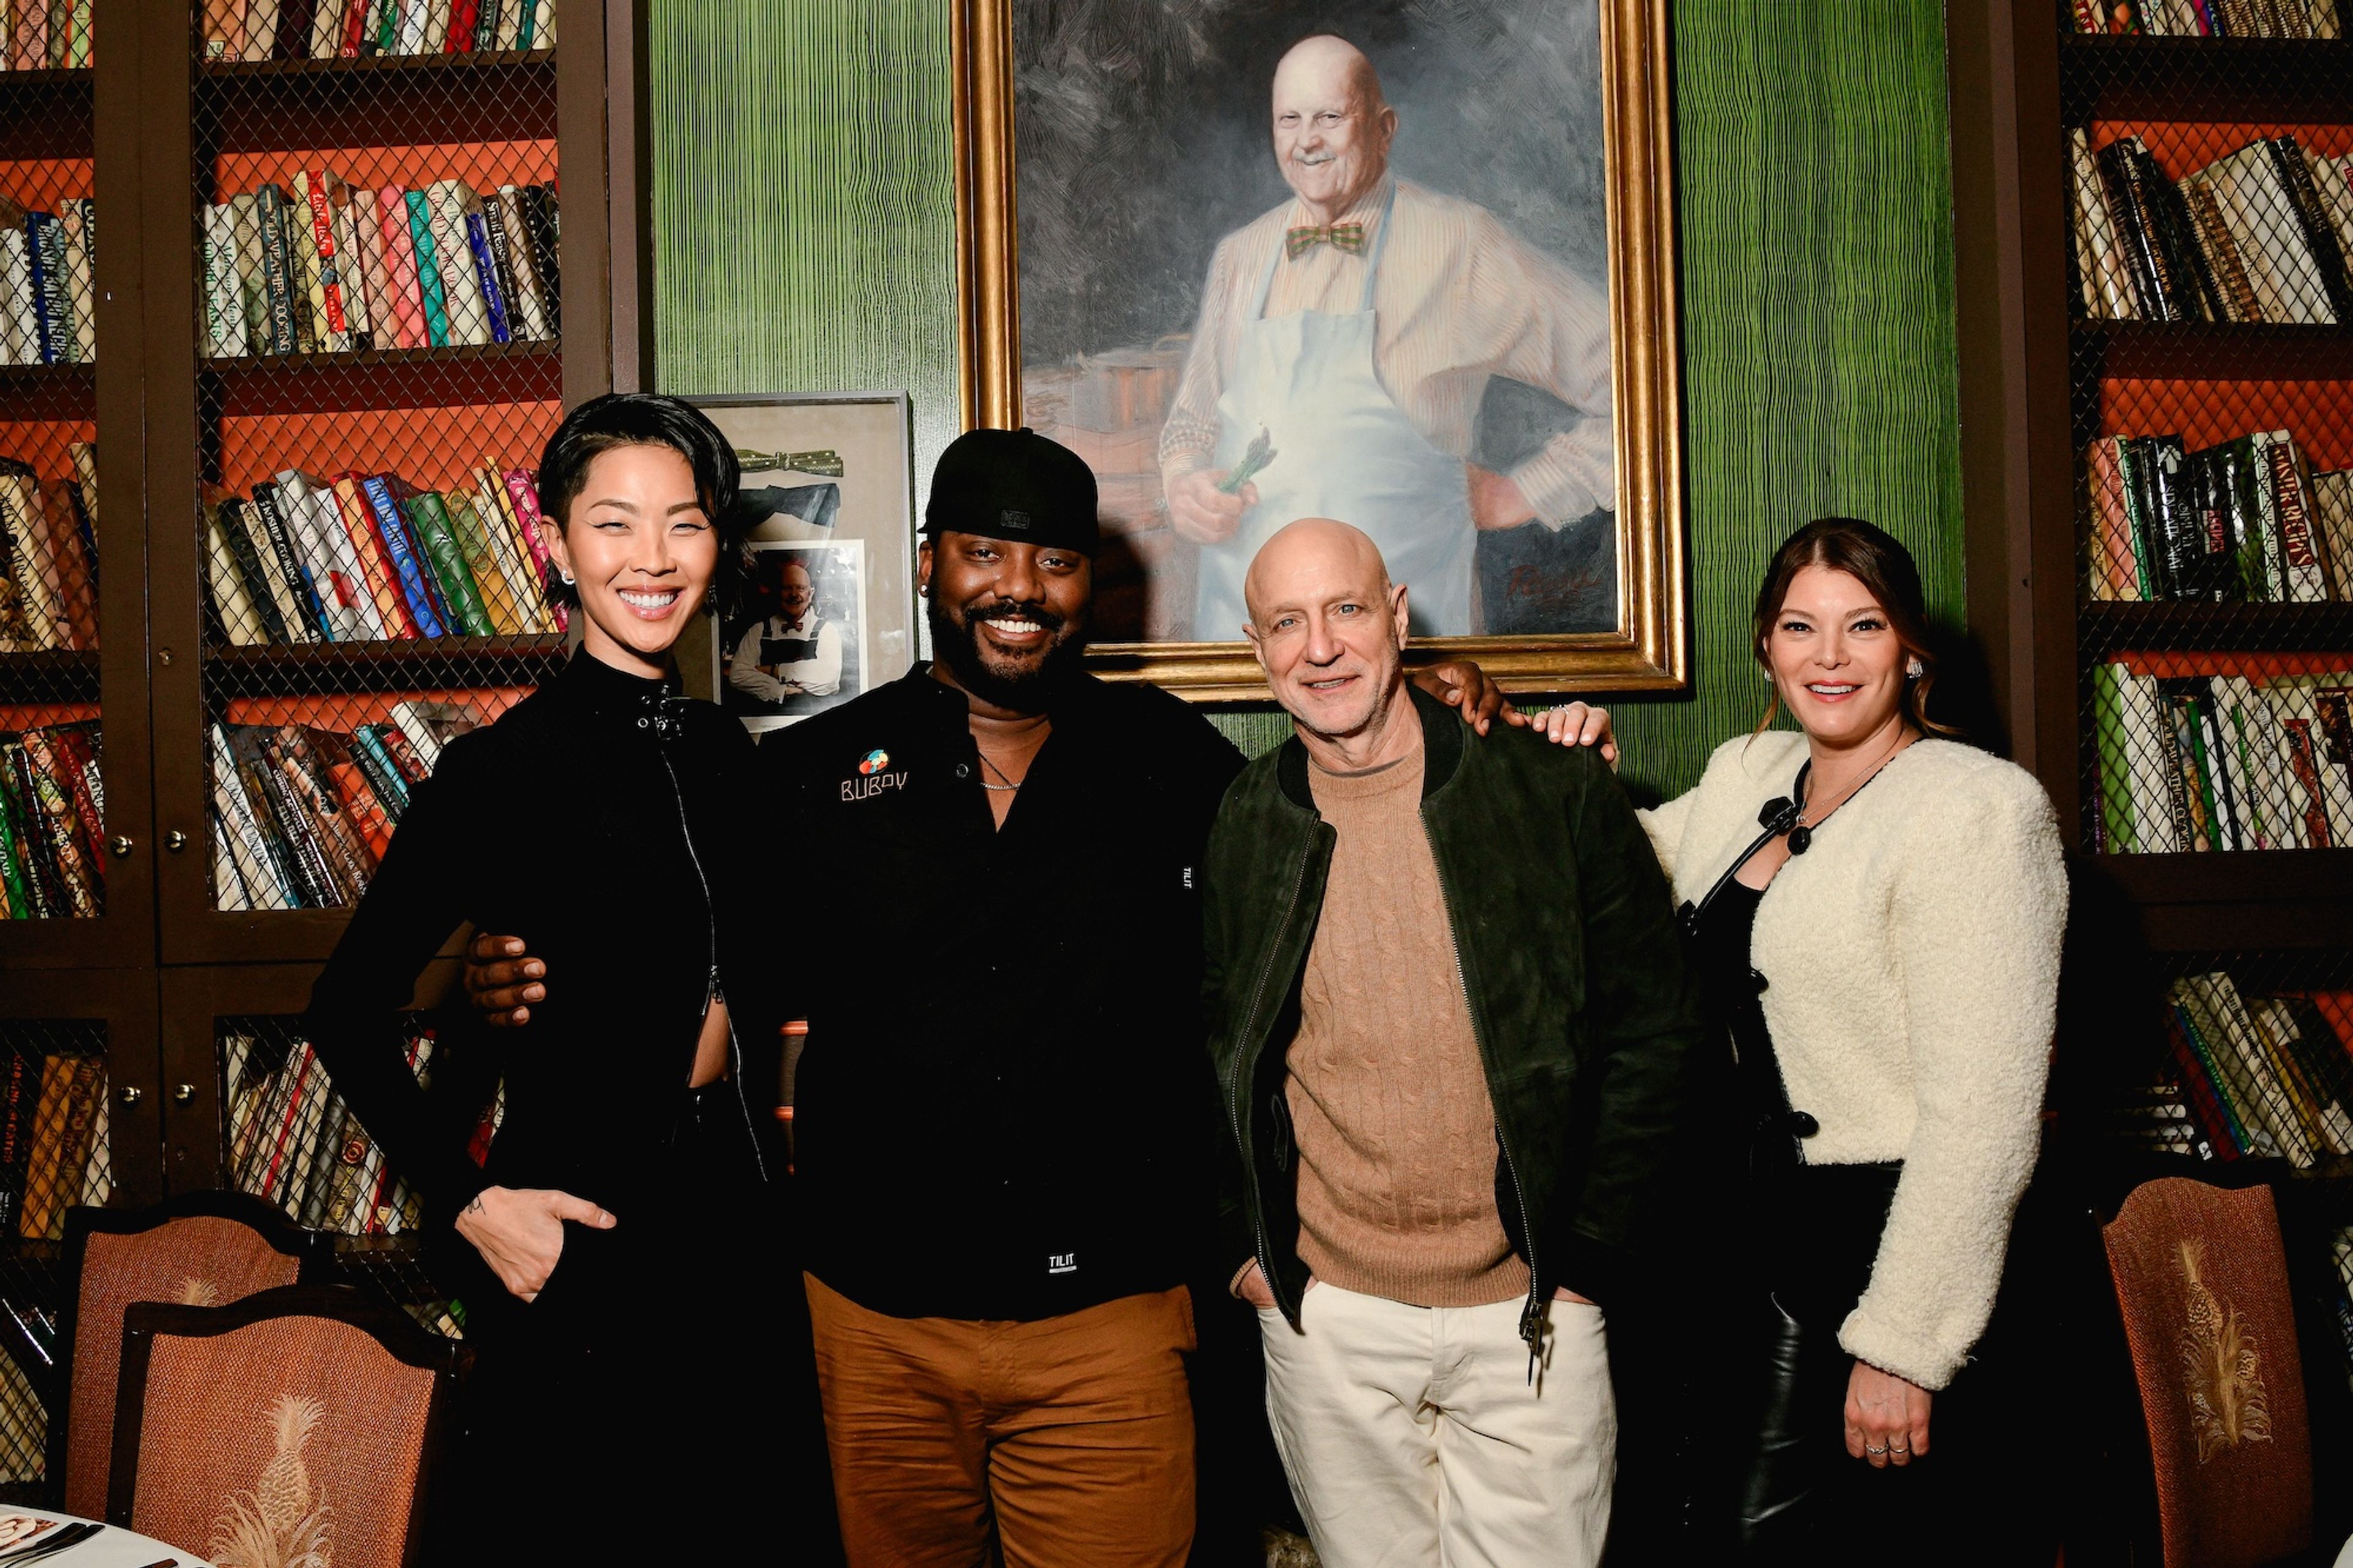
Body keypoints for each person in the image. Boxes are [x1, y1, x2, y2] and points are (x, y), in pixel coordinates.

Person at [460, 429, 1541, 1567]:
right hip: (871, 1333)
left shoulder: (1173, 759)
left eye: (1055, 561)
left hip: (1112, 1333)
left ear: (1091, 585)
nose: (1020, 588)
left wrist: (1434, 710)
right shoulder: (810, 775)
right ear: (930, 562)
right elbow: (688, 969)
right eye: (985, 552)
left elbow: (1332, 842)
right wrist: (508, 974)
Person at [302, 393, 795, 1562]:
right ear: (557, 545)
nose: (652, 557)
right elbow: (344, 1009)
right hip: (577, 1239)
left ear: (716, 543)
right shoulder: (501, 768)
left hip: (735, 1232)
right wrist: (473, 1202)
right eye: (614, 523)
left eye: (684, 522)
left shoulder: (727, 755)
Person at [1539, 517, 2067, 1564]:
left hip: (1860, 1248)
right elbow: (1626, 888)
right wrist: (1578, 780)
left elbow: (1987, 1118)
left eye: (1864, 625)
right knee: (1665, 1531)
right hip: (1709, 1240)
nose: (1830, 656)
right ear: (1766, 647)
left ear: (1911, 649)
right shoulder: (1750, 768)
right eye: (1800, 626)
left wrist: (1905, 1343)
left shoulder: (1977, 809)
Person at [1204, 518, 1705, 1568]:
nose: (1320, 647)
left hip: (1531, 1309)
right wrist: (1250, 1258)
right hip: (1331, 1318)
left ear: (1397, 616)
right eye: (1286, 623)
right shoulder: (1246, 817)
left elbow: (1656, 1033)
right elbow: (1208, 1046)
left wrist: (1588, 1260)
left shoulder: (1552, 787)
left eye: (1346, 609)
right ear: (1257, 649)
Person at [1159, 33, 1613, 640]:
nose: (1307, 141)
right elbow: (1191, 427)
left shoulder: (1459, 245)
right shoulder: (1241, 256)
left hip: (1409, 646)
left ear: (1384, 129)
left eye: (1330, 117)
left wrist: (1521, 492)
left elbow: (1639, 379)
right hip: (1243, 640)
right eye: (1290, 120)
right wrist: (1184, 483)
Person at [728, 555, 844, 710]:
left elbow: (830, 679)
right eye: (787, 588)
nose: (794, 595)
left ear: (810, 594)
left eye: (800, 588)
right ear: (778, 592)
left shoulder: (826, 630)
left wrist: (774, 671)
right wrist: (782, 691)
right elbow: (737, 675)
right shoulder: (759, 630)